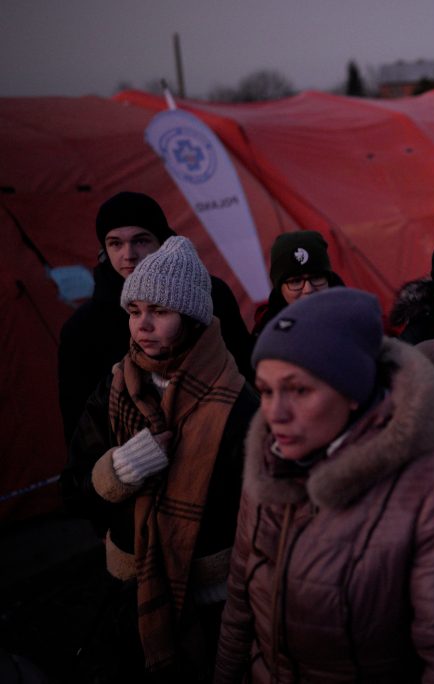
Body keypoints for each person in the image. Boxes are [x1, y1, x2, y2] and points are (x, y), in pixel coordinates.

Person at [215, 288, 434, 683]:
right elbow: (239, 608)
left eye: (299, 389)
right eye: (265, 390)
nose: (274, 414)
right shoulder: (270, 466)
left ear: (352, 391)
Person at [61, 237, 258, 680]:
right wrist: (121, 469)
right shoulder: (114, 388)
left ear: (189, 318)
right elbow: (73, 491)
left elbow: (257, 508)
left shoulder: (236, 401)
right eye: (134, 312)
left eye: (160, 312)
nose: (143, 325)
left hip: (214, 598)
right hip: (131, 588)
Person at [59, 191, 253, 444]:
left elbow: (245, 370)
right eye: (115, 243)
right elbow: (79, 429)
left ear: (161, 241)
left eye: (140, 241)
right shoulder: (83, 328)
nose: (128, 254)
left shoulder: (209, 295)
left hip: (223, 438)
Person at [250, 230, 345, 339]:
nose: (308, 289)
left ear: (329, 279)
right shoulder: (267, 336)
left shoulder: (356, 319)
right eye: (295, 281)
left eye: (316, 277)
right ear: (280, 289)